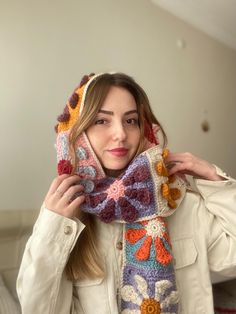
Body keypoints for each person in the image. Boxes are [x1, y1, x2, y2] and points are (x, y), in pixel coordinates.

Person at [17, 72, 236, 314]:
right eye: (101, 121)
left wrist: (215, 180)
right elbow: (36, 309)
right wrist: (54, 227)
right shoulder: (66, 216)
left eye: (131, 120)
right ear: (79, 134)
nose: (120, 133)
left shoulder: (178, 201)